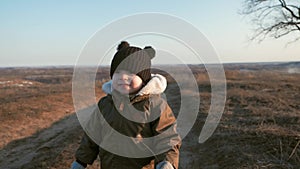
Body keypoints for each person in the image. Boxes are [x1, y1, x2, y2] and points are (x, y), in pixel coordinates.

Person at [71, 41, 181, 169]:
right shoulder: (105, 104)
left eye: (130, 73)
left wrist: (166, 162)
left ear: (144, 79)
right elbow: (92, 136)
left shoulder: (155, 106)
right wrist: (81, 161)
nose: (123, 77)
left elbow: (167, 138)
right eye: (118, 73)